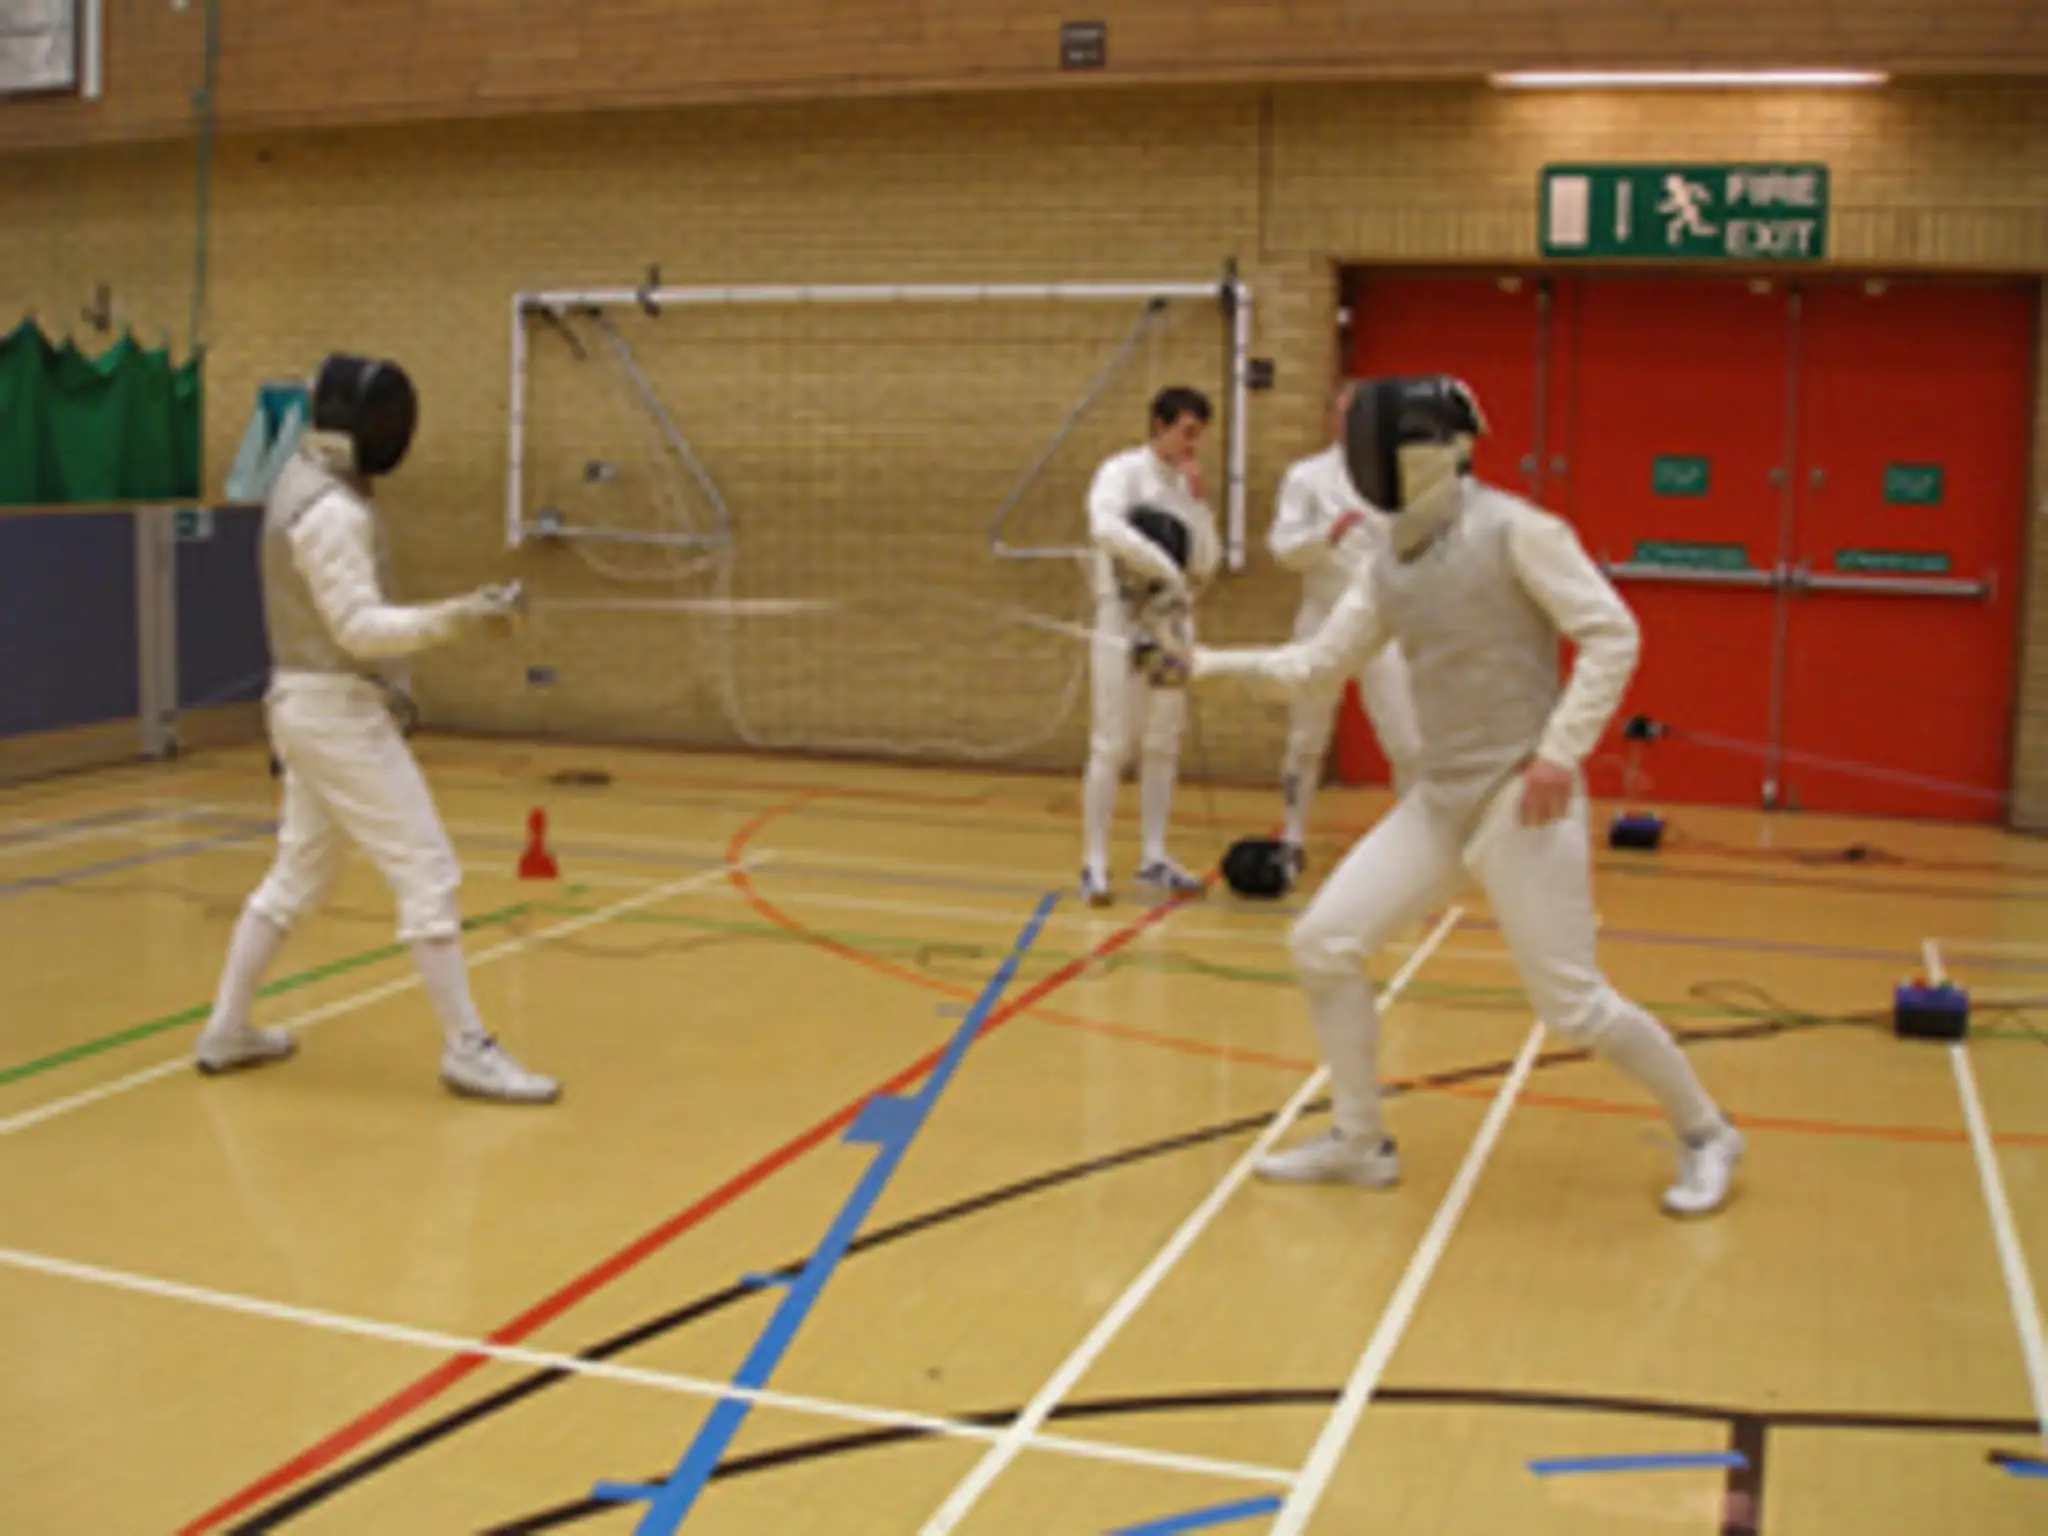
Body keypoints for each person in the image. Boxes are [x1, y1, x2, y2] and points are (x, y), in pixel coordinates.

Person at [1178, 374, 1742, 1215]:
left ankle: (1706, 1132)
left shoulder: (1519, 530)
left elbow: (1611, 632)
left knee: (1572, 1005)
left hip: (1521, 799)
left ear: (1430, 452)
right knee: (1324, 943)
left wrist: (1558, 753)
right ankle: (1360, 1142)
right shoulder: (1387, 559)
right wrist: (1204, 666)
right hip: (1441, 801)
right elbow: (1318, 664)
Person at [192, 353, 561, 1104]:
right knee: (427, 869)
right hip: (334, 714)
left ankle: (227, 1030)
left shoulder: (301, 479)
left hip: (309, 706)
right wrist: (460, 616)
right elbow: (357, 629)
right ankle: (466, 1048)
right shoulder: (332, 512)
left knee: (300, 875)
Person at [1267, 383, 1422, 871]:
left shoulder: (1399, 477)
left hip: (1383, 624)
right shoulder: (1306, 477)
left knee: (1406, 740)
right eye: (1344, 412)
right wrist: (1325, 536)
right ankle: (1291, 838)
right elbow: (1282, 548)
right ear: (1330, 418)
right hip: (1322, 619)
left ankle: (1417, 844)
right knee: (1305, 737)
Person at [1078, 385, 1221, 907]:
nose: (1193, 445)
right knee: (1111, 742)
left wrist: (1199, 507)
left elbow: (1205, 564)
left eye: (1198, 435)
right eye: (1187, 432)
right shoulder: (1121, 472)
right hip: (1121, 618)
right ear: (1159, 426)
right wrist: (1162, 568)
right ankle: (1094, 863)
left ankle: (1154, 856)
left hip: (1171, 622)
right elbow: (1104, 527)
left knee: (1163, 739)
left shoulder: (1184, 488)